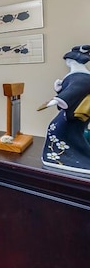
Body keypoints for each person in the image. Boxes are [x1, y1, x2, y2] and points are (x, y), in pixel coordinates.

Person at [41, 45, 90, 174]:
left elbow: (74, 92)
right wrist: (59, 89)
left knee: (59, 129)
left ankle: (65, 157)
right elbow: (70, 89)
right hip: (71, 112)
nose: (67, 63)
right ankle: (64, 156)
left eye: (68, 60)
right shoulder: (79, 75)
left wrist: (57, 99)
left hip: (74, 113)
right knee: (62, 130)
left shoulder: (81, 77)